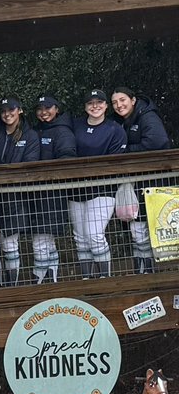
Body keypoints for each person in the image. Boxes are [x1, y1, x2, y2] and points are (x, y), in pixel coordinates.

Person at [111, 87, 171, 274]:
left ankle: (154, 275)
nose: (119, 105)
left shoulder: (147, 117)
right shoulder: (121, 122)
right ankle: (142, 273)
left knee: (153, 231)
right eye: (114, 102)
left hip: (155, 184)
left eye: (122, 100)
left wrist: (125, 150)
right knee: (138, 230)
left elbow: (157, 142)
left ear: (133, 100)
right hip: (136, 183)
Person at [70, 89, 128, 279]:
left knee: (94, 235)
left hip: (103, 189)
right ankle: (87, 280)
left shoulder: (115, 129)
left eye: (99, 102)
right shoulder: (75, 125)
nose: (95, 106)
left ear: (106, 105)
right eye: (90, 103)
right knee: (80, 239)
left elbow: (115, 161)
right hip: (75, 190)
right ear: (85, 106)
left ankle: (105, 279)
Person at [0, 98, 41, 286]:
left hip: (14, 196)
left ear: (20, 110)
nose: (7, 114)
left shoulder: (30, 135)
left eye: (11, 110)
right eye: (3, 110)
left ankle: (12, 286)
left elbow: (29, 164)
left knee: (9, 244)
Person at [29, 95, 77, 284]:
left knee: (40, 240)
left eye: (48, 107)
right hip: (37, 193)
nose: (44, 112)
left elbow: (67, 158)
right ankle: (50, 279)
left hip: (54, 193)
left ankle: (40, 280)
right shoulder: (36, 130)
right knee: (45, 241)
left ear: (57, 109)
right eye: (40, 108)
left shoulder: (63, 132)